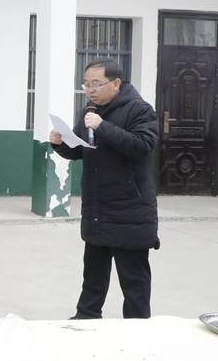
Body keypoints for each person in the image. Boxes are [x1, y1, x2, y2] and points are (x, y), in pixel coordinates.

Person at [50, 59, 159, 319]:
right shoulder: (89, 111)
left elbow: (142, 146)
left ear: (116, 83)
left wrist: (102, 126)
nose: (90, 90)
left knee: (134, 281)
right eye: (86, 84)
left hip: (129, 211)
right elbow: (81, 150)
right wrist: (60, 143)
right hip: (97, 208)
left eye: (96, 84)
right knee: (93, 275)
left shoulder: (140, 110)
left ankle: (137, 326)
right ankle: (86, 318)